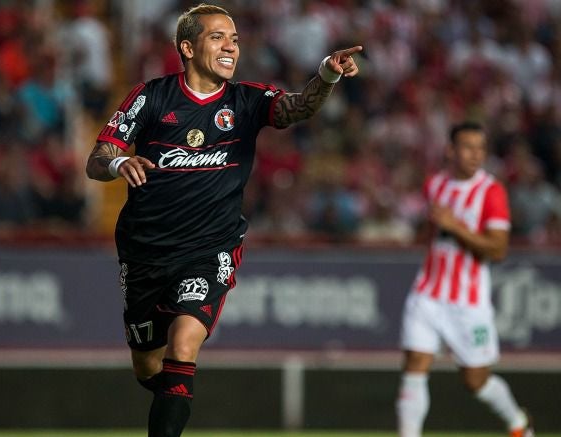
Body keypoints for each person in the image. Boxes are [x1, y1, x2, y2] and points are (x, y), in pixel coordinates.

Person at [85, 3, 361, 436]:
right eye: (218, 37)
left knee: (184, 344)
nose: (231, 46)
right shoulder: (150, 96)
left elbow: (298, 108)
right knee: (148, 366)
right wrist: (119, 164)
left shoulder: (247, 100)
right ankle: (174, 397)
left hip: (209, 248)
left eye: (234, 38)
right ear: (188, 47)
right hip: (144, 251)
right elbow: (97, 158)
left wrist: (326, 73)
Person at [396, 121, 534, 437]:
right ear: (450, 150)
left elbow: (497, 250)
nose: (475, 155)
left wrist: (455, 225)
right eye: (468, 147)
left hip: (468, 301)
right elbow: (429, 234)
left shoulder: (491, 192)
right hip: (427, 291)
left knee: (476, 381)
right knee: (415, 366)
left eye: (480, 148)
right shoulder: (434, 185)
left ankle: (517, 422)